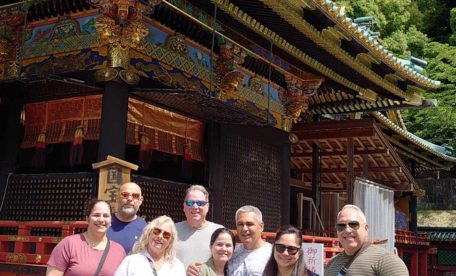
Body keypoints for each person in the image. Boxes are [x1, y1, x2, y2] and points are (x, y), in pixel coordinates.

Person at [46, 199, 125, 276]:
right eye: (96, 215)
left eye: (106, 216)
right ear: (87, 219)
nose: (101, 219)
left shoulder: (119, 250)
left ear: (111, 221)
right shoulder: (69, 244)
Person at [325, 204, 409, 276]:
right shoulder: (332, 263)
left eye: (353, 224)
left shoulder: (386, 261)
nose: (347, 230)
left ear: (366, 228)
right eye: (341, 226)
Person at [114, 215, 185, 276]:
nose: (160, 236)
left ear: (170, 241)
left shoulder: (177, 266)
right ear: (148, 233)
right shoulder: (131, 261)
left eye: (166, 235)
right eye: (156, 231)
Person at [175, 185, 223, 270]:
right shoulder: (172, 230)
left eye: (200, 203)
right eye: (190, 203)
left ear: (207, 207)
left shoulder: (219, 232)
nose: (195, 206)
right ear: (184, 206)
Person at [227, 205, 273, 275]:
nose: (244, 229)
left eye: (249, 224)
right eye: (240, 224)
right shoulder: (230, 252)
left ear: (261, 226)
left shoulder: (273, 254)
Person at [108, 182, 147, 254]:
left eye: (135, 196)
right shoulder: (105, 224)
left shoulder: (146, 230)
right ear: (117, 198)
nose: (129, 199)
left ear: (140, 200)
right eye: (125, 195)